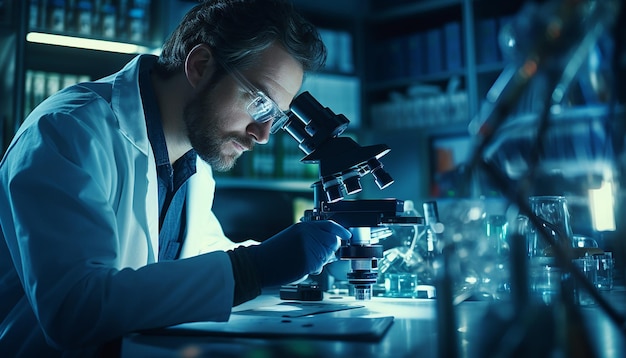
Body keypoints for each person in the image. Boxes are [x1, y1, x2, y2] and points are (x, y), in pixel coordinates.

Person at [0, 0, 351, 356]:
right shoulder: (68, 131)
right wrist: (254, 269)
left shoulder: (193, 163)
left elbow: (198, 260)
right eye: (259, 103)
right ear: (200, 67)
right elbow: (73, 309)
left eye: (275, 117)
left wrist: (289, 262)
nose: (262, 134)